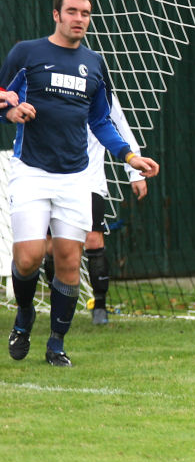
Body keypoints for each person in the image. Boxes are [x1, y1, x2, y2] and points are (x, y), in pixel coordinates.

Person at [0, 0, 159, 366]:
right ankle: (24, 317)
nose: (79, 19)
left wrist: (130, 157)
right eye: (72, 11)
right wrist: (10, 111)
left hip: (76, 177)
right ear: (56, 15)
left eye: (85, 13)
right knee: (28, 258)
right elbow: (3, 95)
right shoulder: (27, 53)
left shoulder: (94, 63)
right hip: (31, 171)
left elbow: (101, 119)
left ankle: (56, 344)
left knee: (70, 262)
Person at [42, 94, 148, 325]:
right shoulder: (49, 81)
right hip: (53, 178)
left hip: (89, 180)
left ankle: (99, 305)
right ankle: (57, 302)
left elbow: (120, 125)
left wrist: (135, 172)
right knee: (52, 245)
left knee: (93, 239)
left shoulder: (98, 84)